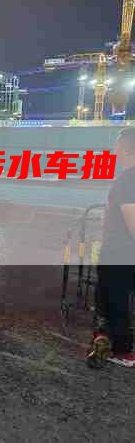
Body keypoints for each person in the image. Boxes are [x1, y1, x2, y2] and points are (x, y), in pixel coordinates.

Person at [87, 128, 135, 368]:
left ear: (125, 148)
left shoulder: (127, 181)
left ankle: (123, 351)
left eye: (116, 144)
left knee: (114, 300)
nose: (113, 149)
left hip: (120, 253)